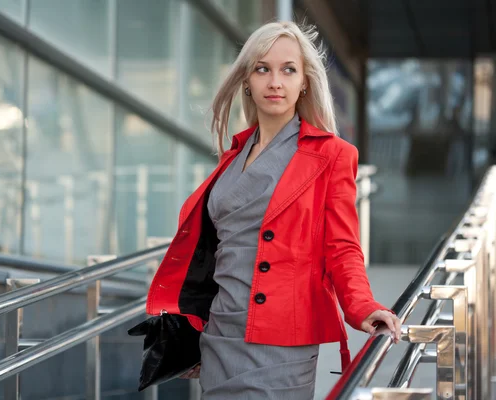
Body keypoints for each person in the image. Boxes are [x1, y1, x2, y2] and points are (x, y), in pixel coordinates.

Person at [145, 20, 401, 399]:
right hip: (220, 334)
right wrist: (192, 325)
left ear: (304, 83)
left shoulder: (332, 155)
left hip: (282, 341)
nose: (275, 82)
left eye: (288, 70)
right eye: (262, 69)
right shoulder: (233, 156)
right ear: (247, 79)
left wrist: (362, 305)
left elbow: (342, 246)